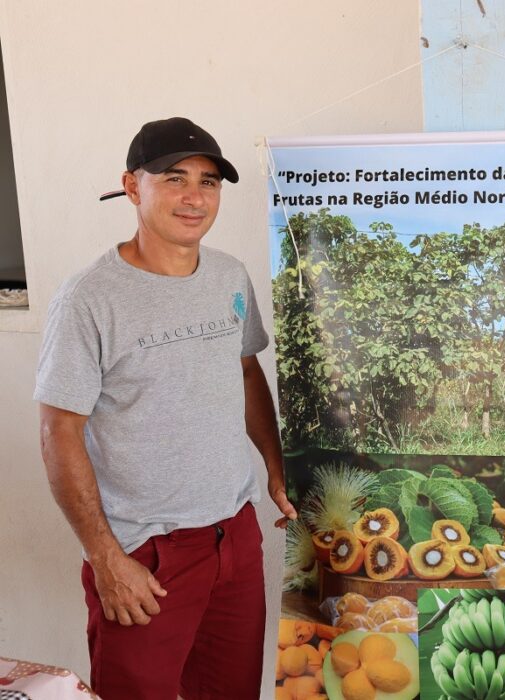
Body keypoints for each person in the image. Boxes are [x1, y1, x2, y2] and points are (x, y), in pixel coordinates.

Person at [35, 117, 297, 700]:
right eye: (174, 178)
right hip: (145, 555)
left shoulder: (229, 275)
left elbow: (245, 371)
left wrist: (276, 470)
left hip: (234, 537)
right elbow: (59, 432)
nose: (194, 197)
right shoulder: (89, 297)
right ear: (132, 186)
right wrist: (106, 558)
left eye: (208, 182)